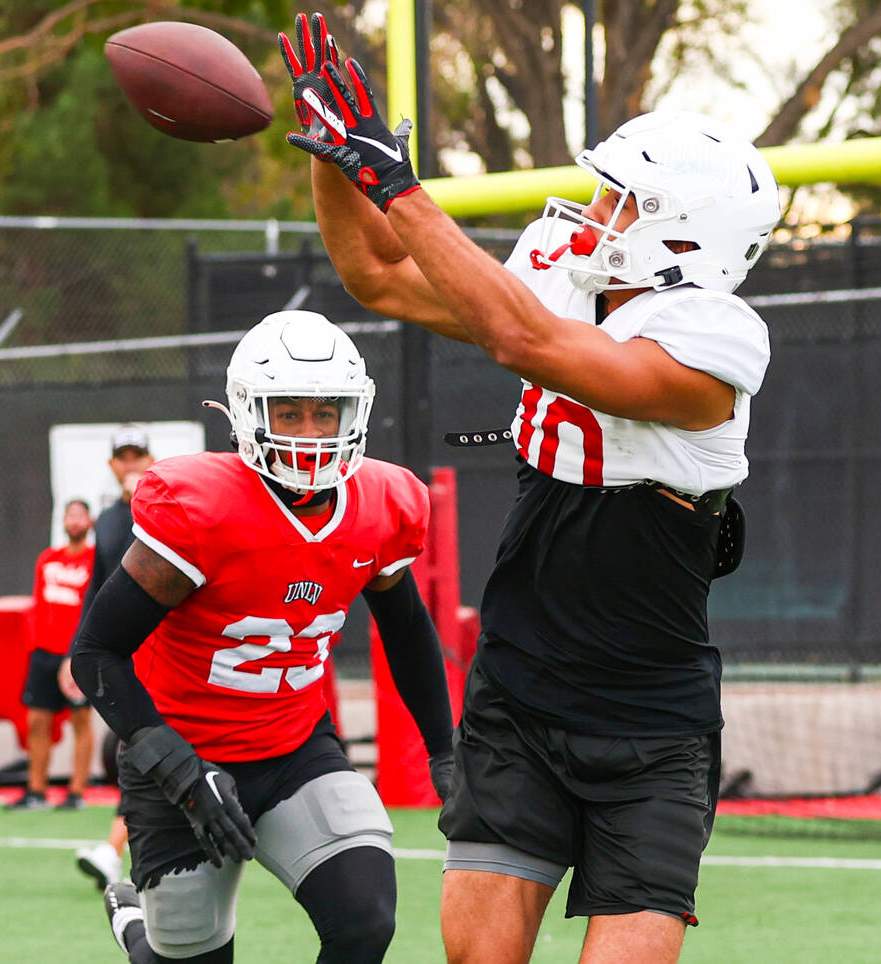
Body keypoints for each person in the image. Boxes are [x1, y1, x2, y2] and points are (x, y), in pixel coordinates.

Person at [279, 12, 780, 963]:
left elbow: (530, 345)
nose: (594, 211)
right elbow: (379, 276)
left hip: (649, 719)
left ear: (687, 230)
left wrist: (401, 183)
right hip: (519, 687)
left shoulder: (719, 340)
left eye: (621, 198)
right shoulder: (562, 278)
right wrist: (337, 155)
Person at [71, 309, 454, 964]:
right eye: (290, 413)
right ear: (251, 414)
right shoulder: (203, 508)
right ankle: (134, 922)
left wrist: (445, 751)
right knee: (188, 954)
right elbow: (95, 652)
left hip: (294, 750)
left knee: (365, 918)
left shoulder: (382, 502)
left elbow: (408, 629)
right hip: (180, 758)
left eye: (325, 413)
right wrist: (179, 769)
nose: (311, 433)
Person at [62, 426, 155, 889]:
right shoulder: (108, 520)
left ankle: (114, 849)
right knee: (139, 750)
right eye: (124, 456)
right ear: (112, 464)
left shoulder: (162, 506)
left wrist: (144, 500)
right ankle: (119, 850)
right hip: (126, 655)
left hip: (166, 651)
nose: (132, 462)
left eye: (139, 454)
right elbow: (97, 592)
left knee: (145, 749)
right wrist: (75, 653)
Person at [5, 498, 95, 810]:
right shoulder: (48, 559)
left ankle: (76, 793)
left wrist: (80, 652)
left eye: (80, 515)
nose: (74, 521)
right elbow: (38, 605)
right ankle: (36, 791)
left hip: (77, 656)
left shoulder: (95, 561)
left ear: (90, 522)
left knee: (80, 721)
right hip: (43, 654)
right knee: (37, 722)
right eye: (69, 516)